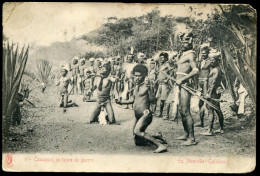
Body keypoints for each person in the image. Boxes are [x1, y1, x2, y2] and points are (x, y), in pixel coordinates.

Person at [115, 64, 167, 153]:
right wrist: (122, 102)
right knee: (138, 142)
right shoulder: (136, 86)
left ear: (144, 76)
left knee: (137, 131)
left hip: (145, 114)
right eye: (135, 75)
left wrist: (149, 88)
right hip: (137, 115)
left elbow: (153, 100)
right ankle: (156, 136)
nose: (137, 78)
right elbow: (133, 100)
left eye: (139, 76)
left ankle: (160, 146)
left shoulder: (146, 87)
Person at [174, 30, 199, 146]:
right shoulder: (183, 55)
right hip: (180, 85)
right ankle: (186, 134)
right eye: (182, 42)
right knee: (181, 110)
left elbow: (195, 70)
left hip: (185, 85)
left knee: (185, 110)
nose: (182, 44)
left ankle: (192, 138)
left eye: (185, 42)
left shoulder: (191, 54)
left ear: (190, 42)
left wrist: (182, 79)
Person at [201, 50, 224, 135]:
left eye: (212, 60)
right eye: (210, 60)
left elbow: (213, 83)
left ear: (217, 60)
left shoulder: (216, 70)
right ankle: (221, 128)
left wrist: (208, 94)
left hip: (213, 92)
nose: (211, 61)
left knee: (210, 109)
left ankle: (210, 130)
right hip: (214, 92)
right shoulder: (216, 69)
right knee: (217, 109)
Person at [195, 43, 211, 127]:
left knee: (208, 104)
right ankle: (201, 122)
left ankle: (210, 124)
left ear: (207, 53)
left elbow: (211, 74)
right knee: (200, 103)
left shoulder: (210, 61)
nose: (203, 55)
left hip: (207, 83)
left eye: (205, 54)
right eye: (202, 54)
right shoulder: (199, 61)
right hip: (200, 83)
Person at [155, 52, 171, 118]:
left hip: (165, 84)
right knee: (160, 99)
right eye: (160, 58)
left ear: (166, 58)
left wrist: (167, 80)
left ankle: (166, 115)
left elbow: (172, 72)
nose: (161, 59)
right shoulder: (161, 65)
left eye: (163, 58)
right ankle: (160, 113)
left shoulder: (168, 64)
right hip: (160, 84)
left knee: (165, 100)